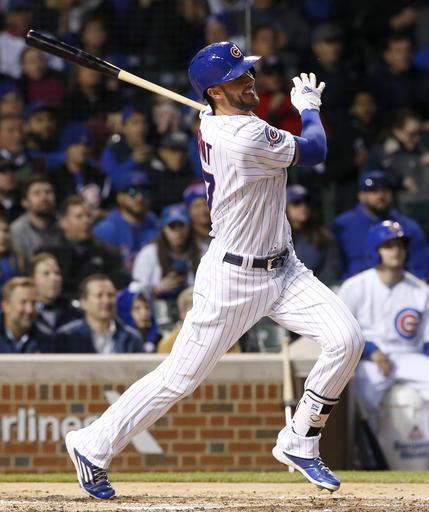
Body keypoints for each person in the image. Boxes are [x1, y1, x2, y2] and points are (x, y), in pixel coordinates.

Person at [65, 41, 364, 499]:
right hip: (233, 279)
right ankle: (92, 444)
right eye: (239, 77)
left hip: (284, 268)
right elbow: (317, 149)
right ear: (216, 92)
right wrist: (308, 108)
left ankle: (300, 439)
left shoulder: (215, 120)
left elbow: (231, 118)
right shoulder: (243, 136)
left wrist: (220, 108)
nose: (251, 81)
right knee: (179, 379)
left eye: (248, 72)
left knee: (346, 339)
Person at [338, 221, 429, 433]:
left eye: (400, 245)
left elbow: (427, 340)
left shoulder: (420, 290)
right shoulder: (354, 287)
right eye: (388, 245)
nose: (396, 251)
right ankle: (368, 455)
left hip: (408, 356)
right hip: (369, 359)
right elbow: (341, 333)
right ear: (374, 250)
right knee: (365, 392)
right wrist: (370, 351)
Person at [331, 169, 429, 281]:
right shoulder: (342, 225)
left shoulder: (408, 226)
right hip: (352, 291)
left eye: (385, 190)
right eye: (373, 191)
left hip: (399, 289)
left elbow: (421, 268)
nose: (380, 195)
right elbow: (333, 266)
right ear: (361, 195)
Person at [40, 196, 130, 299]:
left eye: (88, 216)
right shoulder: (49, 252)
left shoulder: (106, 252)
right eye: (79, 216)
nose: (86, 221)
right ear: (63, 222)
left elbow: (122, 281)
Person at [56, 274, 142, 353]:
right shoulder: (66, 337)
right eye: (99, 295)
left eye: (111, 295)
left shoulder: (132, 339)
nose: (106, 301)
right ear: (83, 302)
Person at [93, 172, 159, 270]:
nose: (140, 198)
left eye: (144, 192)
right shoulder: (106, 229)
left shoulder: (156, 225)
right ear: (120, 197)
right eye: (132, 192)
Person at [286, 185, 340, 287]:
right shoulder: (277, 239)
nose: (303, 207)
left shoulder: (324, 235)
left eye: (306, 202)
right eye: (296, 203)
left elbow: (331, 269)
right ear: (285, 207)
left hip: (319, 290)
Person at [10, 175, 63, 265]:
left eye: (48, 192)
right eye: (37, 193)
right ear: (25, 202)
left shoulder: (64, 225)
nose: (44, 198)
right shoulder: (16, 230)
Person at [29, 252, 81, 337]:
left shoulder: (75, 312)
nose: (54, 279)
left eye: (57, 273)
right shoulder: (25, 313)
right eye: (46, 273)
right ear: (32, 280)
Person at [0, 276, 54, 353]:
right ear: (6, 306)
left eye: (33, 303)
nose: (29, 310)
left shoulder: (46, 340)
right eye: (23, 302)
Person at [183, 181, 211, 255]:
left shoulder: (223, 231)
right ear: (188, 210)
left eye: (206, 204)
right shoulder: (184, 238)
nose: (202, 210)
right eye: (197, 206)